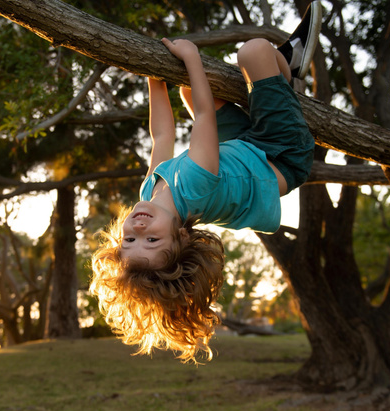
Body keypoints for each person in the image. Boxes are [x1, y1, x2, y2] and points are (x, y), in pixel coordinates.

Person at [90, 1, 322, 363]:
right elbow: (202, 118)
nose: (137, 227)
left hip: (243, 148)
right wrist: (191, 57)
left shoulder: (150, 193)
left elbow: (162, 135)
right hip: (282, 155)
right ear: (181, 235)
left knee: (185, 90)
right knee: (254, 51)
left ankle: (275, 91)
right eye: (151, 240)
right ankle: (290, 74)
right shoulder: (195, 189)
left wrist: (155, 79)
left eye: (130, 239)